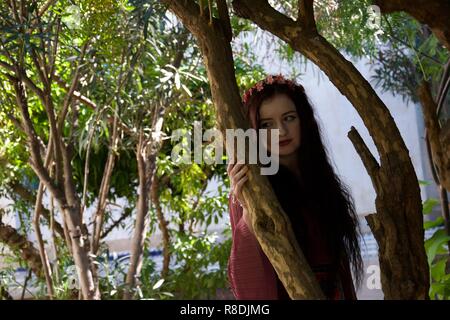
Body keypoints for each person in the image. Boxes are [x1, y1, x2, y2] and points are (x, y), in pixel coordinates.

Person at [226, 74, 363, 300]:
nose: (281, 131)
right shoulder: (250, 189)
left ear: (305, 121)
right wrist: (249, 210)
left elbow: (342, 269)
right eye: (266, 124)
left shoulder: (322, 181)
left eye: (289, 118)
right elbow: (246, 279)